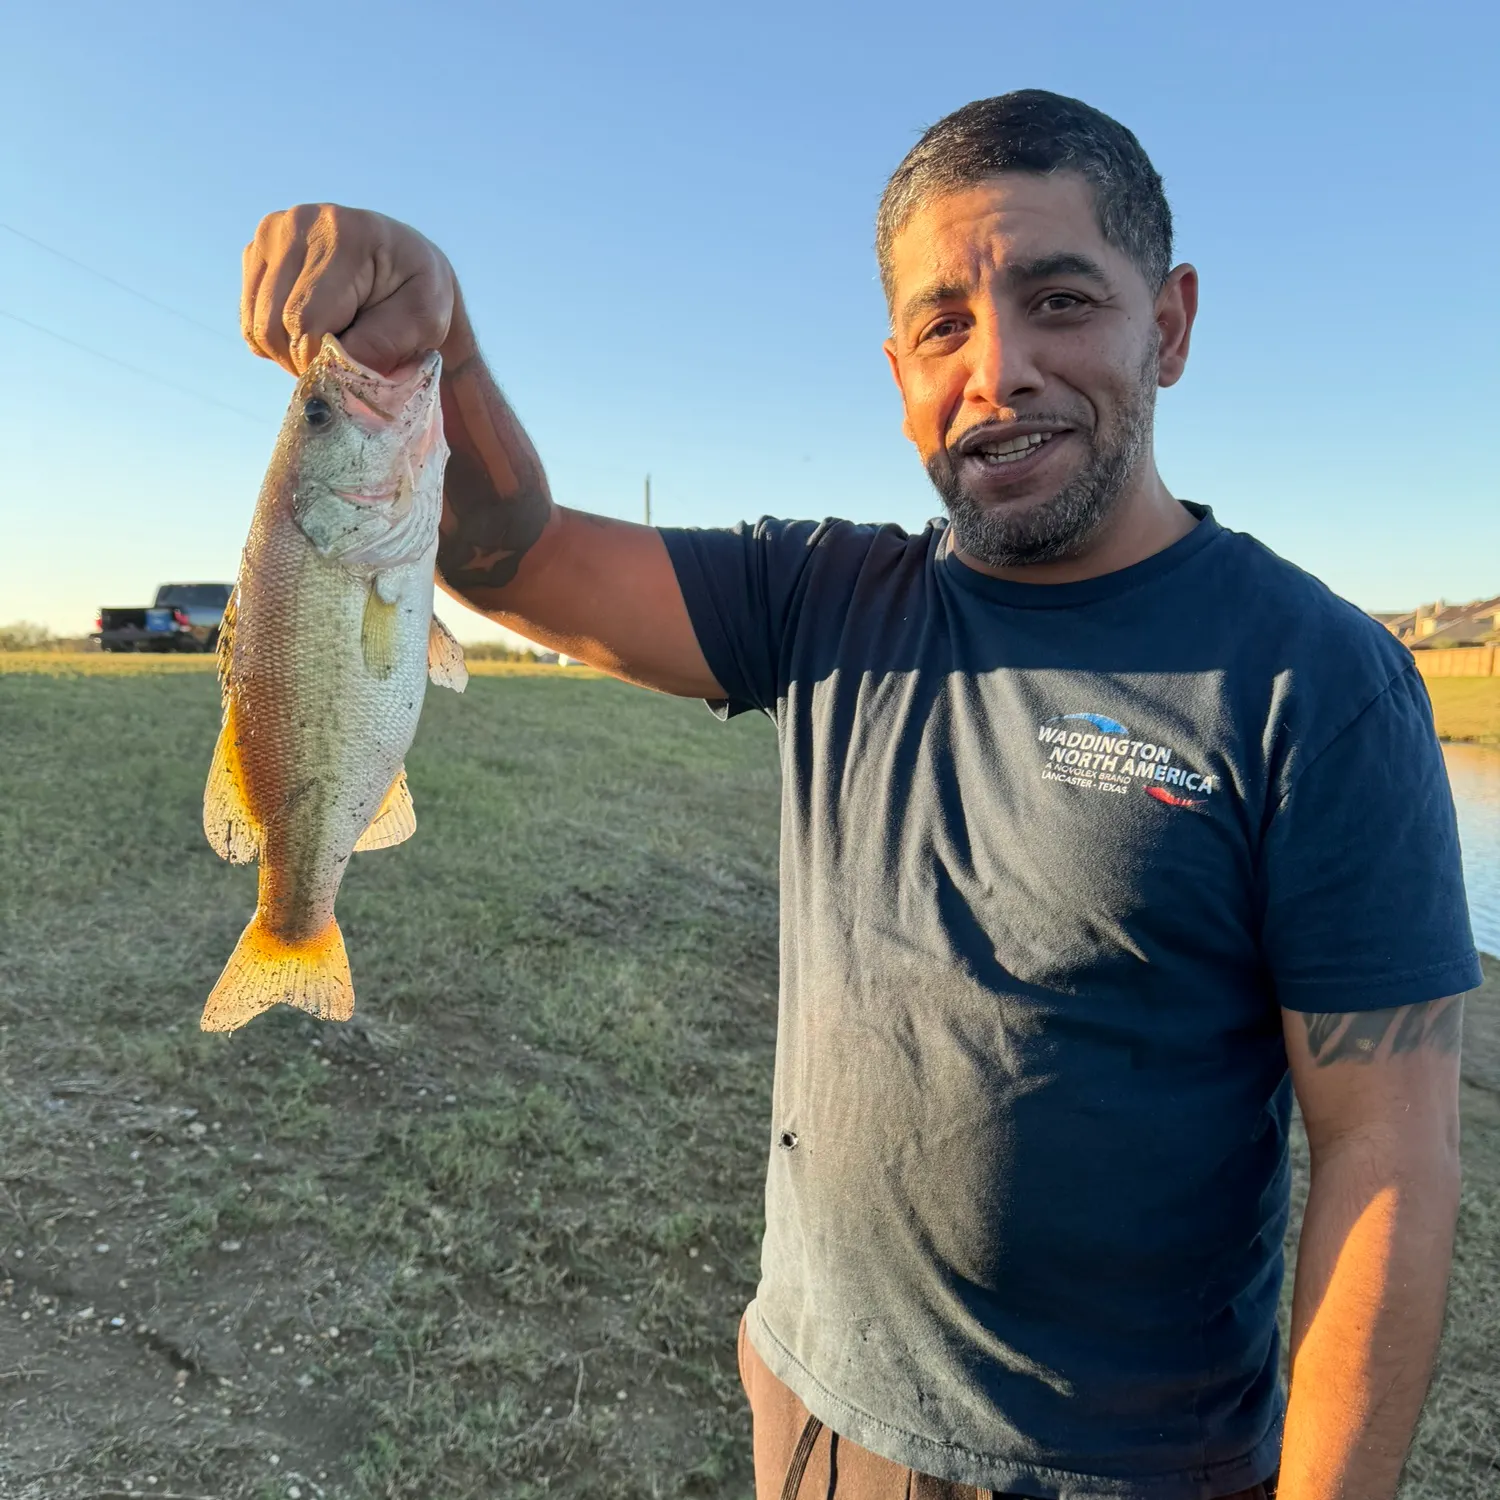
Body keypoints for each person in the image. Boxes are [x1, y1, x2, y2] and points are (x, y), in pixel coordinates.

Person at [239, 90, 1478, 1500]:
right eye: (945, 326)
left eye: (1063, 301)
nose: (1000, 370)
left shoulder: (1320, 680)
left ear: (1171, 325)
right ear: (899, 374)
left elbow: (1387, 1155)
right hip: (820, 1415)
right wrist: (433, 340)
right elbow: (509, 558)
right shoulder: (825, 600)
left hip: (1132, 1471)